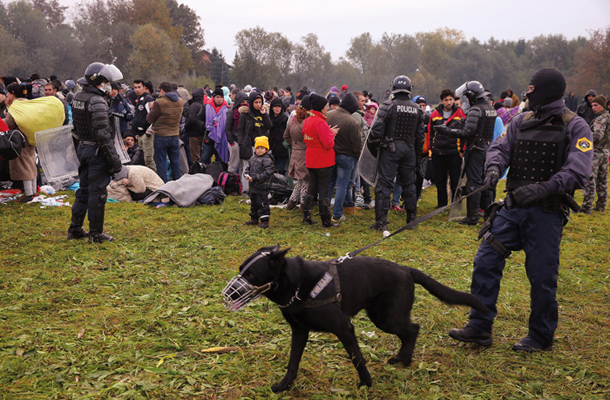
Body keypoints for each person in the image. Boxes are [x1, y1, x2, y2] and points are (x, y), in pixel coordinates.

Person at [449, 68, 593, 352]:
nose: (526, 93)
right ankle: (479, 327)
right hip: (512, 210)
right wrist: (492, 169)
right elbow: (500, 148)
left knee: (541, 276)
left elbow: (579, 171)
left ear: (546, 90)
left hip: (546, 214)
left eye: (531, 88)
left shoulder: (576, 126)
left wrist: (543, 188)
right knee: (486, 261)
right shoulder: (521, 119)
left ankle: (540, 336)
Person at [68, 62, 123, 243]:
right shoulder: (97, 101)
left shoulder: (78, 97)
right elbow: (103, 135)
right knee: (97, 194)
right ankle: (96, 234)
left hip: (83, 148)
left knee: (83, 190)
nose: (108, 84)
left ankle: (75, 229)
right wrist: (115, 161)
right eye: (106, 81)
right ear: (97, 80)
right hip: (96, 151)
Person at [434, 81, 497, 225]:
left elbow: (468, 133)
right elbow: (476, 126)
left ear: (472, 95)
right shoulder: (489, 107)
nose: (466, 100)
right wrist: (462, 122)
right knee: (485, 181)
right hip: (487, 147)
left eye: (467, 97)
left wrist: (446, 130)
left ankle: (472, 216)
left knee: (473, 183)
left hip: (476, 149)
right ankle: (488, 212)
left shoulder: (476, 109)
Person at [369, 75, 426, 230]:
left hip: (390, 149)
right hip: (409, 150)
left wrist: (377, 149)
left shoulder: (387, 106)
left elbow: (376, 132)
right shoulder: (418, 110)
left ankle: (381, 222)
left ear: (394, 88)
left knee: (384, 185)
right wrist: (417, 156)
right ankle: (411, 220)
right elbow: (421, 137)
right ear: (409, 90)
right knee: (409, 185)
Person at [302, 93, 340, 227]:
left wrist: (328, 132)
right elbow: (328, 144)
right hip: (322, 161)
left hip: (311, 159)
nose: (327, 108)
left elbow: (311, 137)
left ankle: (306, 216)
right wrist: (332, 134)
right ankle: (326, 221)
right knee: (323, 191)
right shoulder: (320, 122)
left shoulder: (308, 120)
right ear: (320, 108)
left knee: (311, 188)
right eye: (325, 106)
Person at [426, 88, 466, 208]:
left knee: (455, 181)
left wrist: (462, 150)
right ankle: (442, 205)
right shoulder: (434, 114)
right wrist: (431, 148)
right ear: (442, 101)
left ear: (454, 99)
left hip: (454, 152)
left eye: (451, 99)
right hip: (438, 153)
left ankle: (455, 205)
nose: (449, 102)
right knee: (440, 181)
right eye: (446, 100)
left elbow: (465, 133)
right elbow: (429, 131)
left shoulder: (460, 113)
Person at [326, 93, 362, 222]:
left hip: (330, 154)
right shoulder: (351, 121)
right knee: (341, 185)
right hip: (346, 157)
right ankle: (337, 214)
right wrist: (355, 155)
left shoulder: (328, 115)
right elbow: (357, 144)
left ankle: (324, 211)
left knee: (329, 184)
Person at [146, 81, 185, 182]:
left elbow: (149, 119)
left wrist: (151, 108)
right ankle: (178, 184)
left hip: (161, 136)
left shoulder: (159, 103)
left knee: (161, 163)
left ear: (162, 90)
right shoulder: (180, 101)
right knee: (175, 163)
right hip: (175, 136)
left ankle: (163, 186)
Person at [236, 91, 272, 194]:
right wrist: (241, 142)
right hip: (249, 145)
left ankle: (258, 188)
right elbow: (240, 129)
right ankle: (246, 190)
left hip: (262, 146)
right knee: (247, 167)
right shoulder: (245, 114)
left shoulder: (262, 113)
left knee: (261, 168)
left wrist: (264, 114)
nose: (258, 104)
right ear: (251, 102)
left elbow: (269, 126)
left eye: (260, 102)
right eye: (256, 102)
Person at [580, 95, 609, 213]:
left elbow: (597, 136)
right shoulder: (607, 116)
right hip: (605, 152)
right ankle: (601, 206)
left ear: (602, 106)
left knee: (590, 179)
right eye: (592, 105)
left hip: (596, 152)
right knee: (602, 180)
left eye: (596, 105)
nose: (593, 107)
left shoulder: (600, 119)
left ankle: (586, 207)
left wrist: (583, 137)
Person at [283, 96, 311, 210]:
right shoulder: (305, 125)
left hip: (295, 153)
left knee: (299, 180)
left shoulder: (292, 123)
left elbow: (285, 136)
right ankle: (303, 203)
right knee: (305, 180)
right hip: (304, 153)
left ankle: (292, 201)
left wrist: (293, 144)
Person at [244, 136, 275, 228]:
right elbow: (248, 168)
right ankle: (254, 218)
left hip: (262, 186)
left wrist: (256, 178)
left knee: (262, 203)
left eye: (262, 148)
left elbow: (268, 172)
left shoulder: (267, 160)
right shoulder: (252, 158)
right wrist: (246, 174)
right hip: (253, 186)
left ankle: (265, 221)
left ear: (266, 149)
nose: (260, 150)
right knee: (254, 203)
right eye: (258, 148)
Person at [200, 88, 229, 166]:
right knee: (204, 159)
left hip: (221, 138)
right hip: (209, 137)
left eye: (221, 97)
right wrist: (207, 127)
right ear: (213, 97)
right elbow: (199, 119)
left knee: (221, 161)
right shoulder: (206, 107)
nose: (219, 99)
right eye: (217, 97)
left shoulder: (226, 109)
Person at [131, 80, 156, 171]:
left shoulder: (148, 99)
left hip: (147, 134)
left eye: (139, 87)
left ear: (144, 88)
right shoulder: (138, 99)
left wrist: (149, 131)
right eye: (135, 87)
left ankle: (155, 180)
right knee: (142, 159)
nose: (137, 90)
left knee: (148, 159)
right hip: (140, 133)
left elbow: (153, 116)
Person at [185, 88, 206, 163]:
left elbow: (191, 119)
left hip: (194, 135)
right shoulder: (201, 105)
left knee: (195, 158)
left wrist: (185, 127)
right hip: (201, 133)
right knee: (201, 156)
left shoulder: (193, 106)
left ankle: (197, 173)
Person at [268, 98, 288, 175]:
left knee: (280, 169)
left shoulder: (285, 118)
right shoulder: (269, 118)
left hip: (282, 148)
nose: (277, 108)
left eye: (279, 106)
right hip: (271, 147)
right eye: (275, 106)